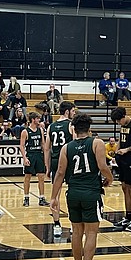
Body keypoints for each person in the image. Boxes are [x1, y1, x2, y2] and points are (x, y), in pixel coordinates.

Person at [49, 112, 113, 260]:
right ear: (89, 128)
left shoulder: (66, 148)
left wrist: (53, 197)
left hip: (73, 193)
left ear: (74, 129)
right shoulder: (97, 143)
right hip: (91, 193)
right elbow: (102, 166)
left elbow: (60, 173)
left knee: (76, 232)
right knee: (91, 233)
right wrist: (110, 178)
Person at [45, 100, 76, 237]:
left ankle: (57, 225)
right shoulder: (71, 125)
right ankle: (72, 225)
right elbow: (75, 144)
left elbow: (47, 149)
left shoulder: (50, 126)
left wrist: (47, 167)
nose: (74, 113)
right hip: (68, 161)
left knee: (55, 194)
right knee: (73, 193)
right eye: (73, 111)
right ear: (67, 111)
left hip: (55, 161)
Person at [20, 111, 49, 207]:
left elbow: (43, 145)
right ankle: (26, 198)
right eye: (38, 118)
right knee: (27, 177)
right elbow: (21, 146)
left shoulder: (40, 130)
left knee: (41, 176)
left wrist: (45, 159)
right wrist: (24, 158)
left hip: (39, 155)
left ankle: (41, 198)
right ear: (33, 119)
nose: (39, 120)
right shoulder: (25, 131)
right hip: (30, 155)